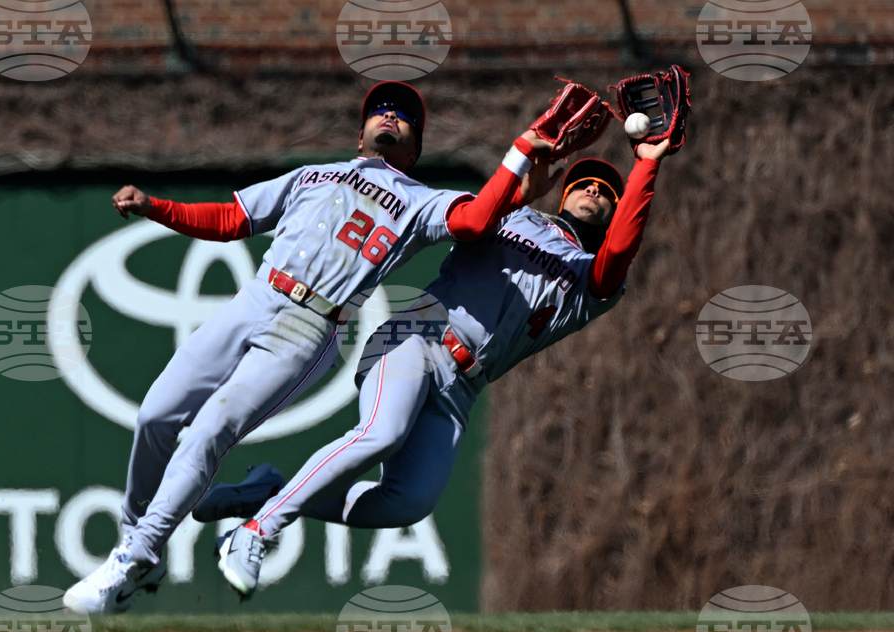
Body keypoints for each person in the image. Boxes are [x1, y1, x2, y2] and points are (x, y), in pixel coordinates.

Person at [61, 80, 563, 613]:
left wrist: (519, 159)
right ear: (360, 132)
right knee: (155, 416)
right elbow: (233, 219)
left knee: (211, 430)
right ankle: (137, 541)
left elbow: (477, 218)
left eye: (403, 116)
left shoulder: (422, 200)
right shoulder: (313, 174)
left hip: (311, 322)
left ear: (416, 146)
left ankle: (135, 556)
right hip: (256, 296)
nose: (388, 116)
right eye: (379, 110)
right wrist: (157, 207)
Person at [205, 138, 675, 600]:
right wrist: (528, 164)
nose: (593, 190)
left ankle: (267, 493)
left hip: (463, 387)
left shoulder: (592, 279)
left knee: (408, 502)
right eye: (584, 183)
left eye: (606, 191)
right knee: (381, 433)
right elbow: (478, 214)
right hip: (418, 335)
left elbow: (619, 253)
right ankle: (258, 531)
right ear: (563, 193)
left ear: (617, 211)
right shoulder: (515, 217)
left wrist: (646, 164)